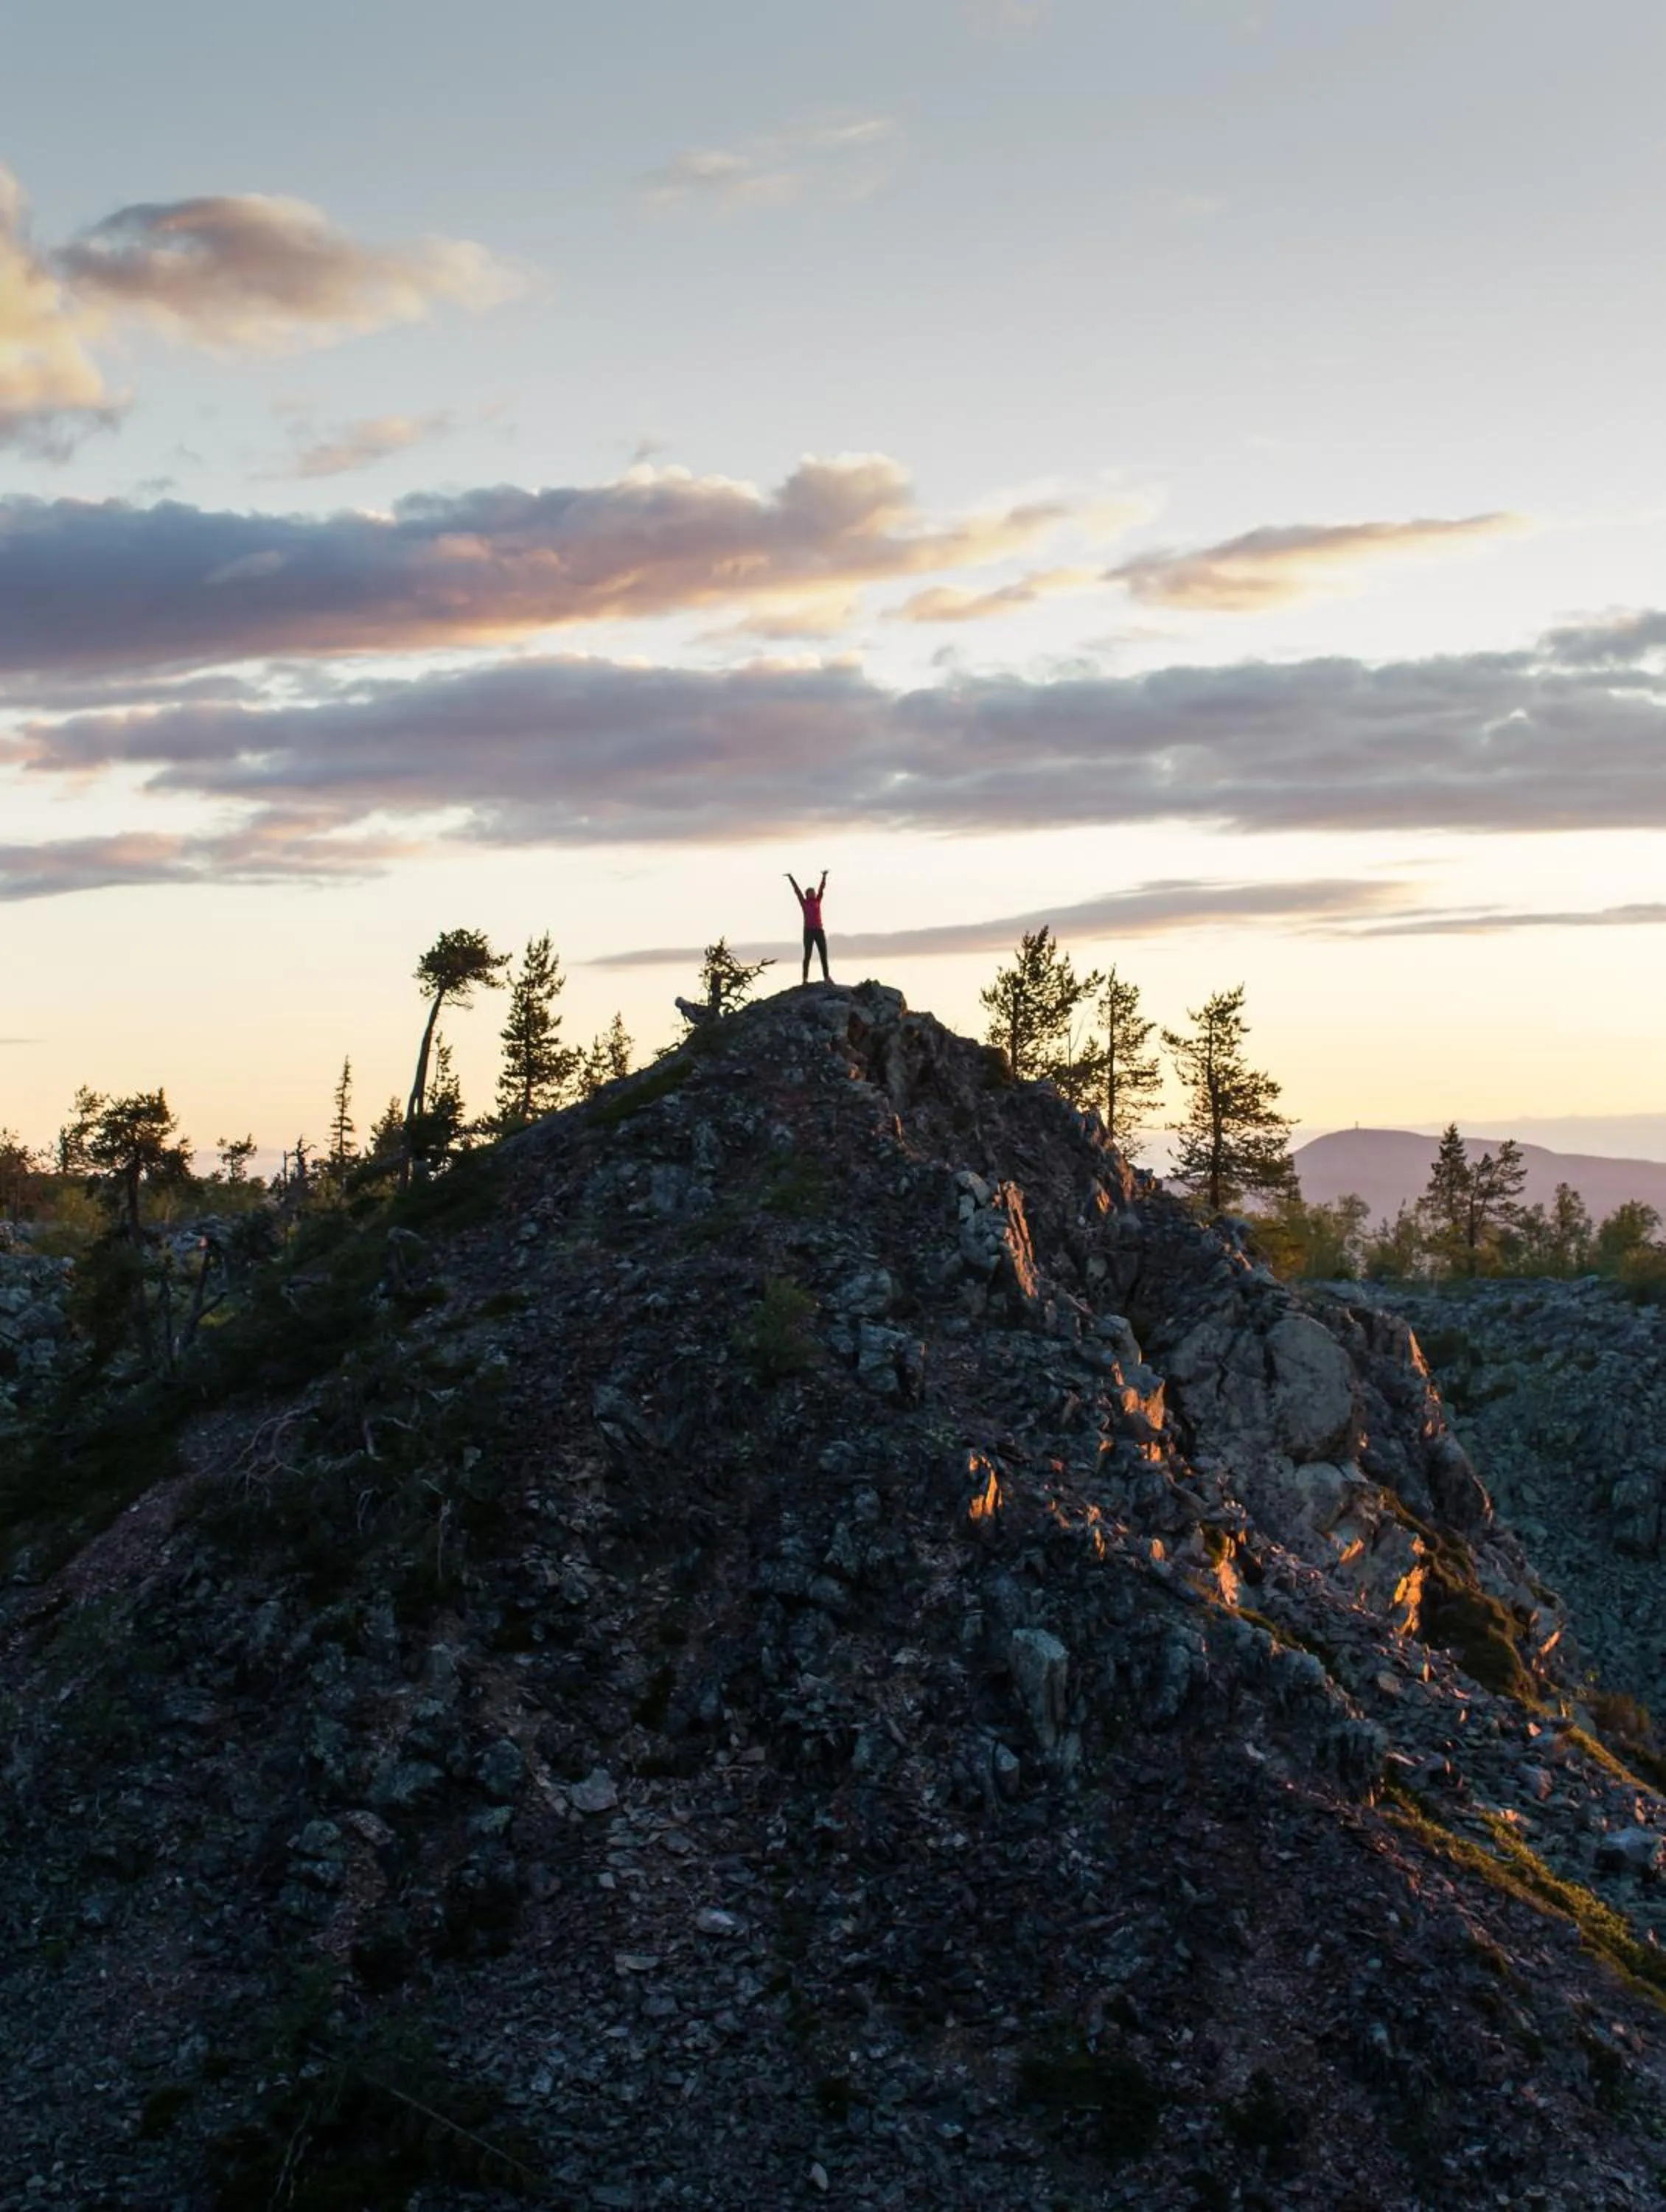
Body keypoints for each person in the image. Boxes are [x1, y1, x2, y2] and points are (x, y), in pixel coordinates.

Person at [787, 869, 831, 984]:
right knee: (807, 955)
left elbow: (822, 889)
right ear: (807, 895)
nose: (813, 893)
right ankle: (805, 979)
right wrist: (791, 878)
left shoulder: (817, 901)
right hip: (808, 931)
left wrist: (824, 877)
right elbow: (797, 891)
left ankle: (827, 977)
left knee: (823, 954)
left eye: (814, 892)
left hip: (819, 930)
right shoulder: (804, 903)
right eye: (811, 892)